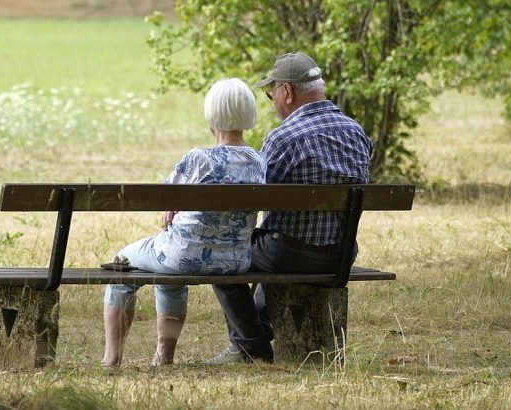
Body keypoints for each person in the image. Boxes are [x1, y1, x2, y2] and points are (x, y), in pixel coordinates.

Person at [206, 52, 373, 364]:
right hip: (341, 255)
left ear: (287, 91)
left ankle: (251, 346)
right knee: (271, 243)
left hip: (291, 254)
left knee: (221, 252)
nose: (273, 102)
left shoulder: (284, 138)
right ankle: (256, 332)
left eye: (272, 94)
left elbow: (252, 198)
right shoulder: (356, 132)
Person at [101, 78, 267, 367]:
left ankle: (111, 359)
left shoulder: (198, 158)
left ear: (211, 115)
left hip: (182, 256)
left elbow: (165, 196)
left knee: (121, 264)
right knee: (169, 273)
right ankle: (163, 357)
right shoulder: (258, 161)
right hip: (234, 260)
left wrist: (172, 208)